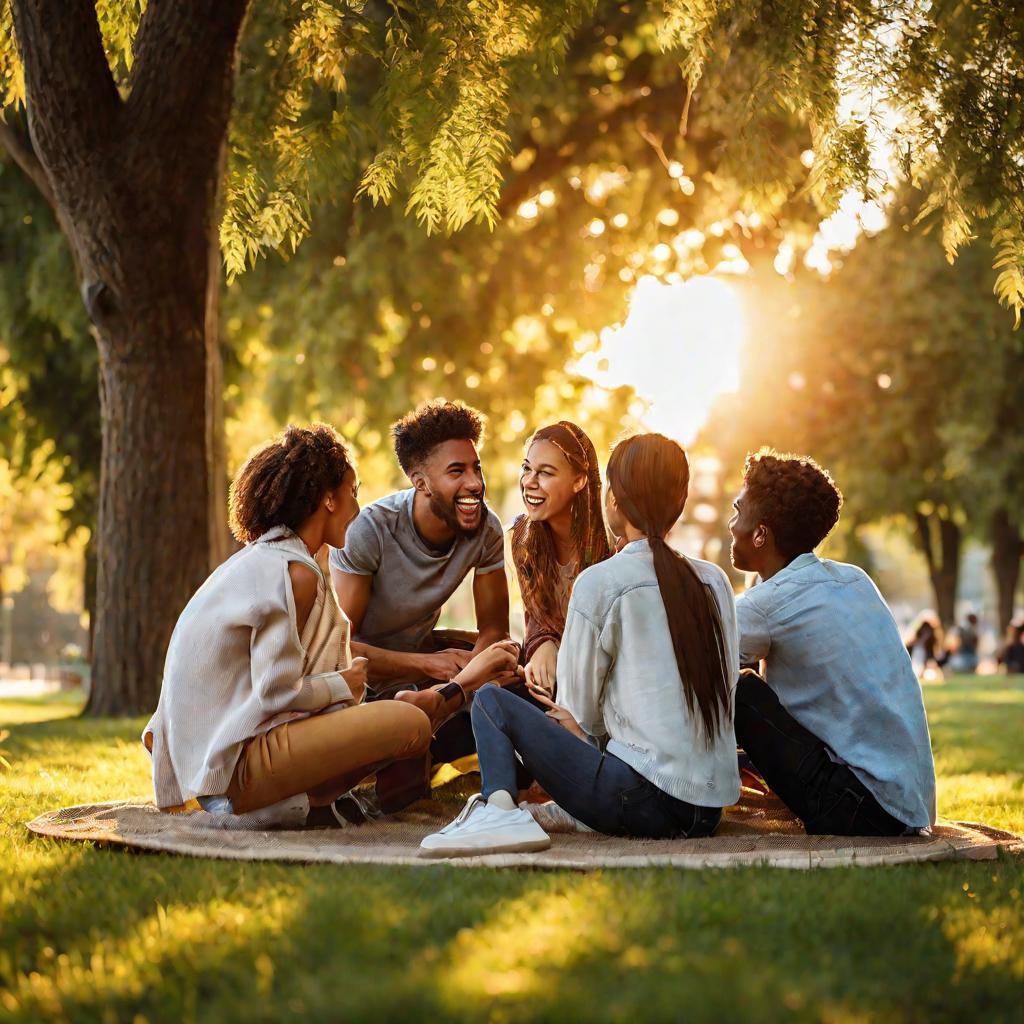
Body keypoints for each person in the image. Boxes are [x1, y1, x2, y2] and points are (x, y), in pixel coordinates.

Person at [143, 424, 517, 830]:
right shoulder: (292, 571)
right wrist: (347, 682)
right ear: (327, 499)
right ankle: (271, 806)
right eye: (352, 493)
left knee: (404, 712)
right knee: (409, 724)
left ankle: (310, 803)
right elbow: (275, 689)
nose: (357, 508)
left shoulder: (287, 558)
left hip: (227, 751)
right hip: (230, 767)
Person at [420, 433, 741, 858]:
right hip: (708, 808)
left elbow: (575, 716)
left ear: (614, 499)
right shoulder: (714, 580)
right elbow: (728, 683)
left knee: (492, 703)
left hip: (642, 801)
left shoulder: (603, 580)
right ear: (679, 501)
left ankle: (499, 811)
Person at [729, 448, 936, 836]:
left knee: (736, 688)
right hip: (908, 805)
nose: (730, 523)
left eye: (738, 512)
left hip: (861, 809)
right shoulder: (854, 579)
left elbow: (697, 670)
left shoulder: (765, 605)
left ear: (761, 534)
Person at [511, 420, 611, 695]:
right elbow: (535, 613)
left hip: (597, 685)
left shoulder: (611, 548)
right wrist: (542, 643)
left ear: (579, 481)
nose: (529, 482)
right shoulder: (523, 537)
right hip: (546, 679)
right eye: (527, 468)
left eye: (545, 473)